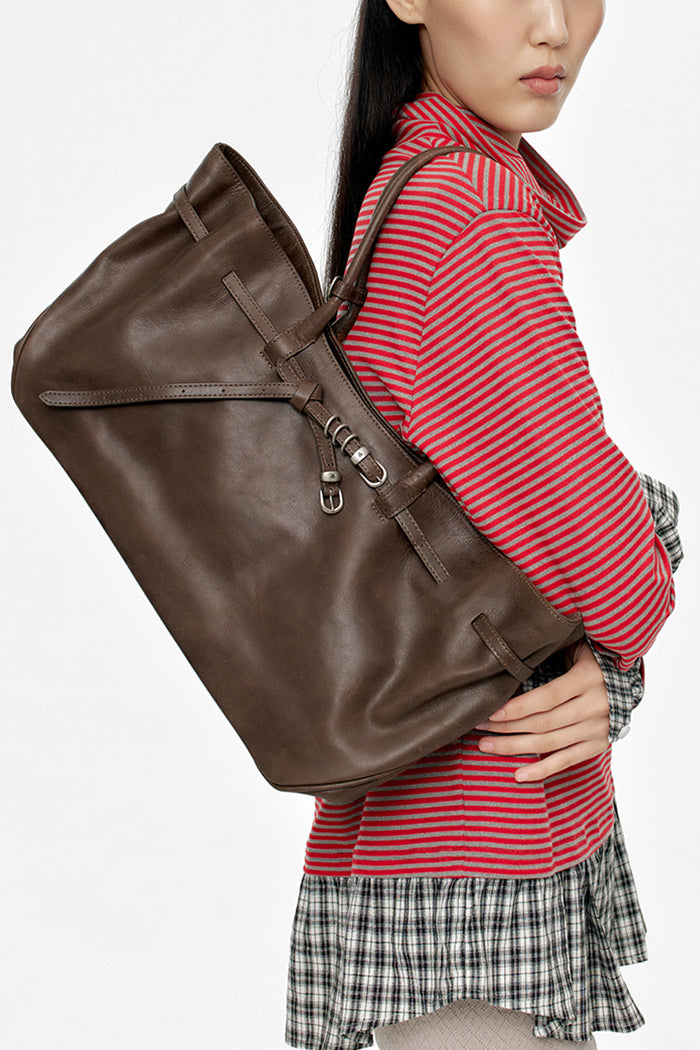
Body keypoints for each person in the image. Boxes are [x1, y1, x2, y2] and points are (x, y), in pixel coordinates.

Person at [285, 1, 683, 1048]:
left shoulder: (417, 189)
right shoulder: (469, 210)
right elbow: (620, 579)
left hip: (435, 833)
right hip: (483, 847)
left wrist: (604, 643)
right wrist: (644, 561)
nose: (554, 26)